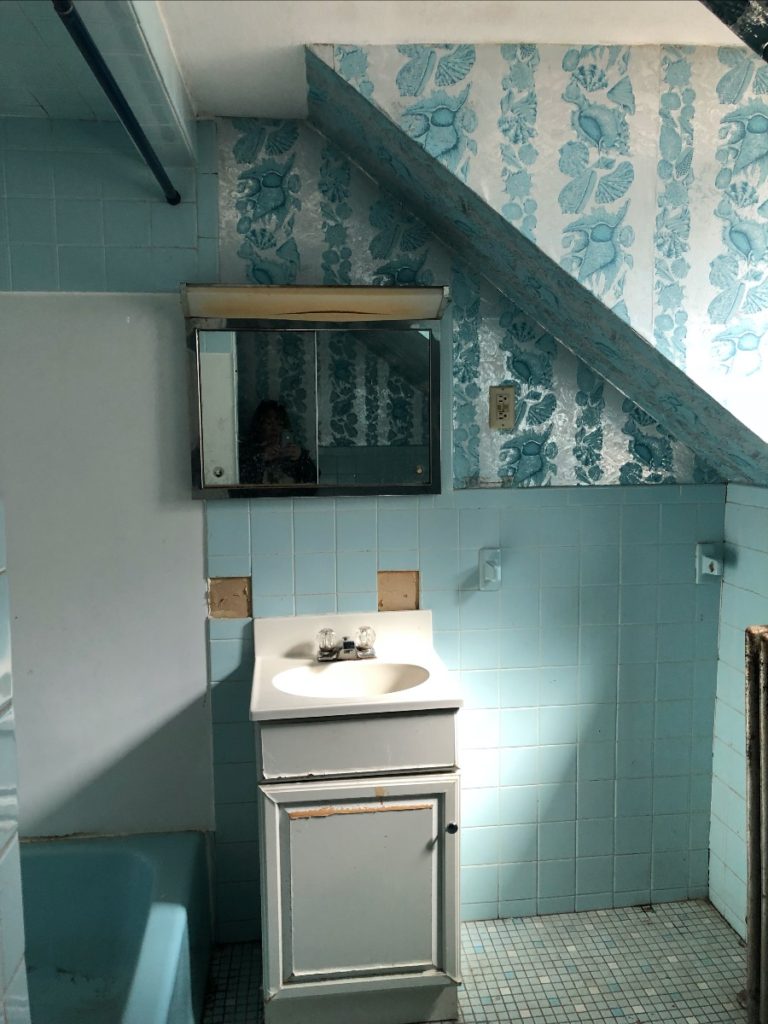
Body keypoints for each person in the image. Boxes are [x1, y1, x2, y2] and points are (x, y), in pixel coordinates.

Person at [239, 399, 316, 485]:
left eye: (279, 424)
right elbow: (240, 482)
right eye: (269, 423)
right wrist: (261, 458)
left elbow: (313, 481)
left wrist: (301, 457)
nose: (274, 428)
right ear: (259, 426)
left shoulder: (291, 451)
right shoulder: (248, 451)